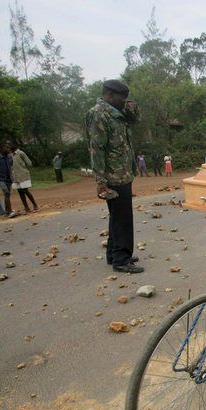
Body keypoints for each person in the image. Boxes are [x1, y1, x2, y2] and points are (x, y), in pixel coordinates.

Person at [86, 79, 143, 274]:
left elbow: (135, 122)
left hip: (123, 173)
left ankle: (114, 253)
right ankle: (121, 259)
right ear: (109, 95)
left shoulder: (116, 113)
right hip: (113, 177)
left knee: (117, 217)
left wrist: (132, 110)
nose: (124, 102)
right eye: (122, 98)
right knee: (123, 218)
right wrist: (100, 181)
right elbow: (97, 149)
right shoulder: (99, 114)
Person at [10, 143, 38, 213]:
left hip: (23, 175)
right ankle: (26, 207)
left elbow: (29, 163)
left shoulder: (20, 153)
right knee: (20, 192)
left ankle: (35, 205)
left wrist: (24, 169)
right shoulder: (10, 155)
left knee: (25, 190)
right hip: (15, 177)